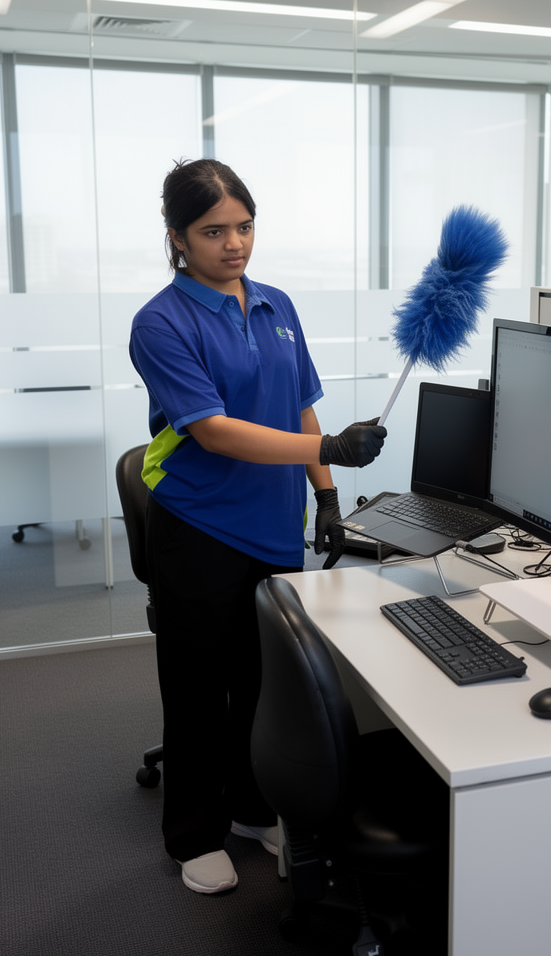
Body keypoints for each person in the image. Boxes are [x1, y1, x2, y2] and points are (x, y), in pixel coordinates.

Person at [128, 158, 387, 895]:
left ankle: (248, 809)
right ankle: (192, 834)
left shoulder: (275, 304)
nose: (233, 244)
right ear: (178, 238)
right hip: (200, 525)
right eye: (213, 231)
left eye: (244, 227)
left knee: (264, 683)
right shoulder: (161, 322)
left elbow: (299, 403)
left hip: (276, 524)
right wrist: (328, 448)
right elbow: (214, 431)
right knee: (199, 690)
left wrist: (327, 492)